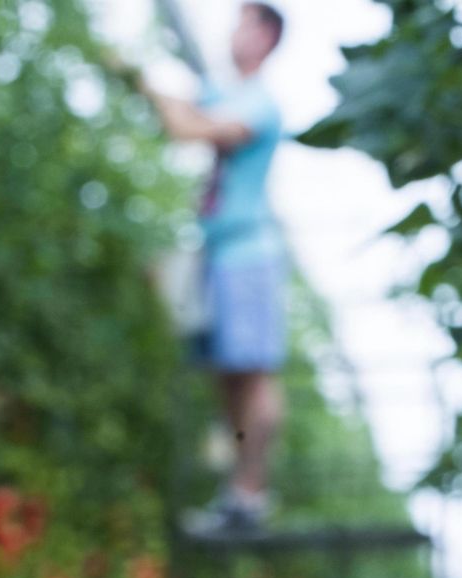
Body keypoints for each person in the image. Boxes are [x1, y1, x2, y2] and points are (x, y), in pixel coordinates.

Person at [140, 2, 289, 533]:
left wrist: (152, 88)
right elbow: (181, 113)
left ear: (267, 36)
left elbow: (187, 128)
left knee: (254, 372)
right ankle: (239, 491)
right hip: (219, 253)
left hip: (249, 253)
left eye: (245, 23)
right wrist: (156, 91)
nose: (234, 32)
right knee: (230, 375)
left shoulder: (259, 105)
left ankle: (252, 492)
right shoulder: (224, 96)